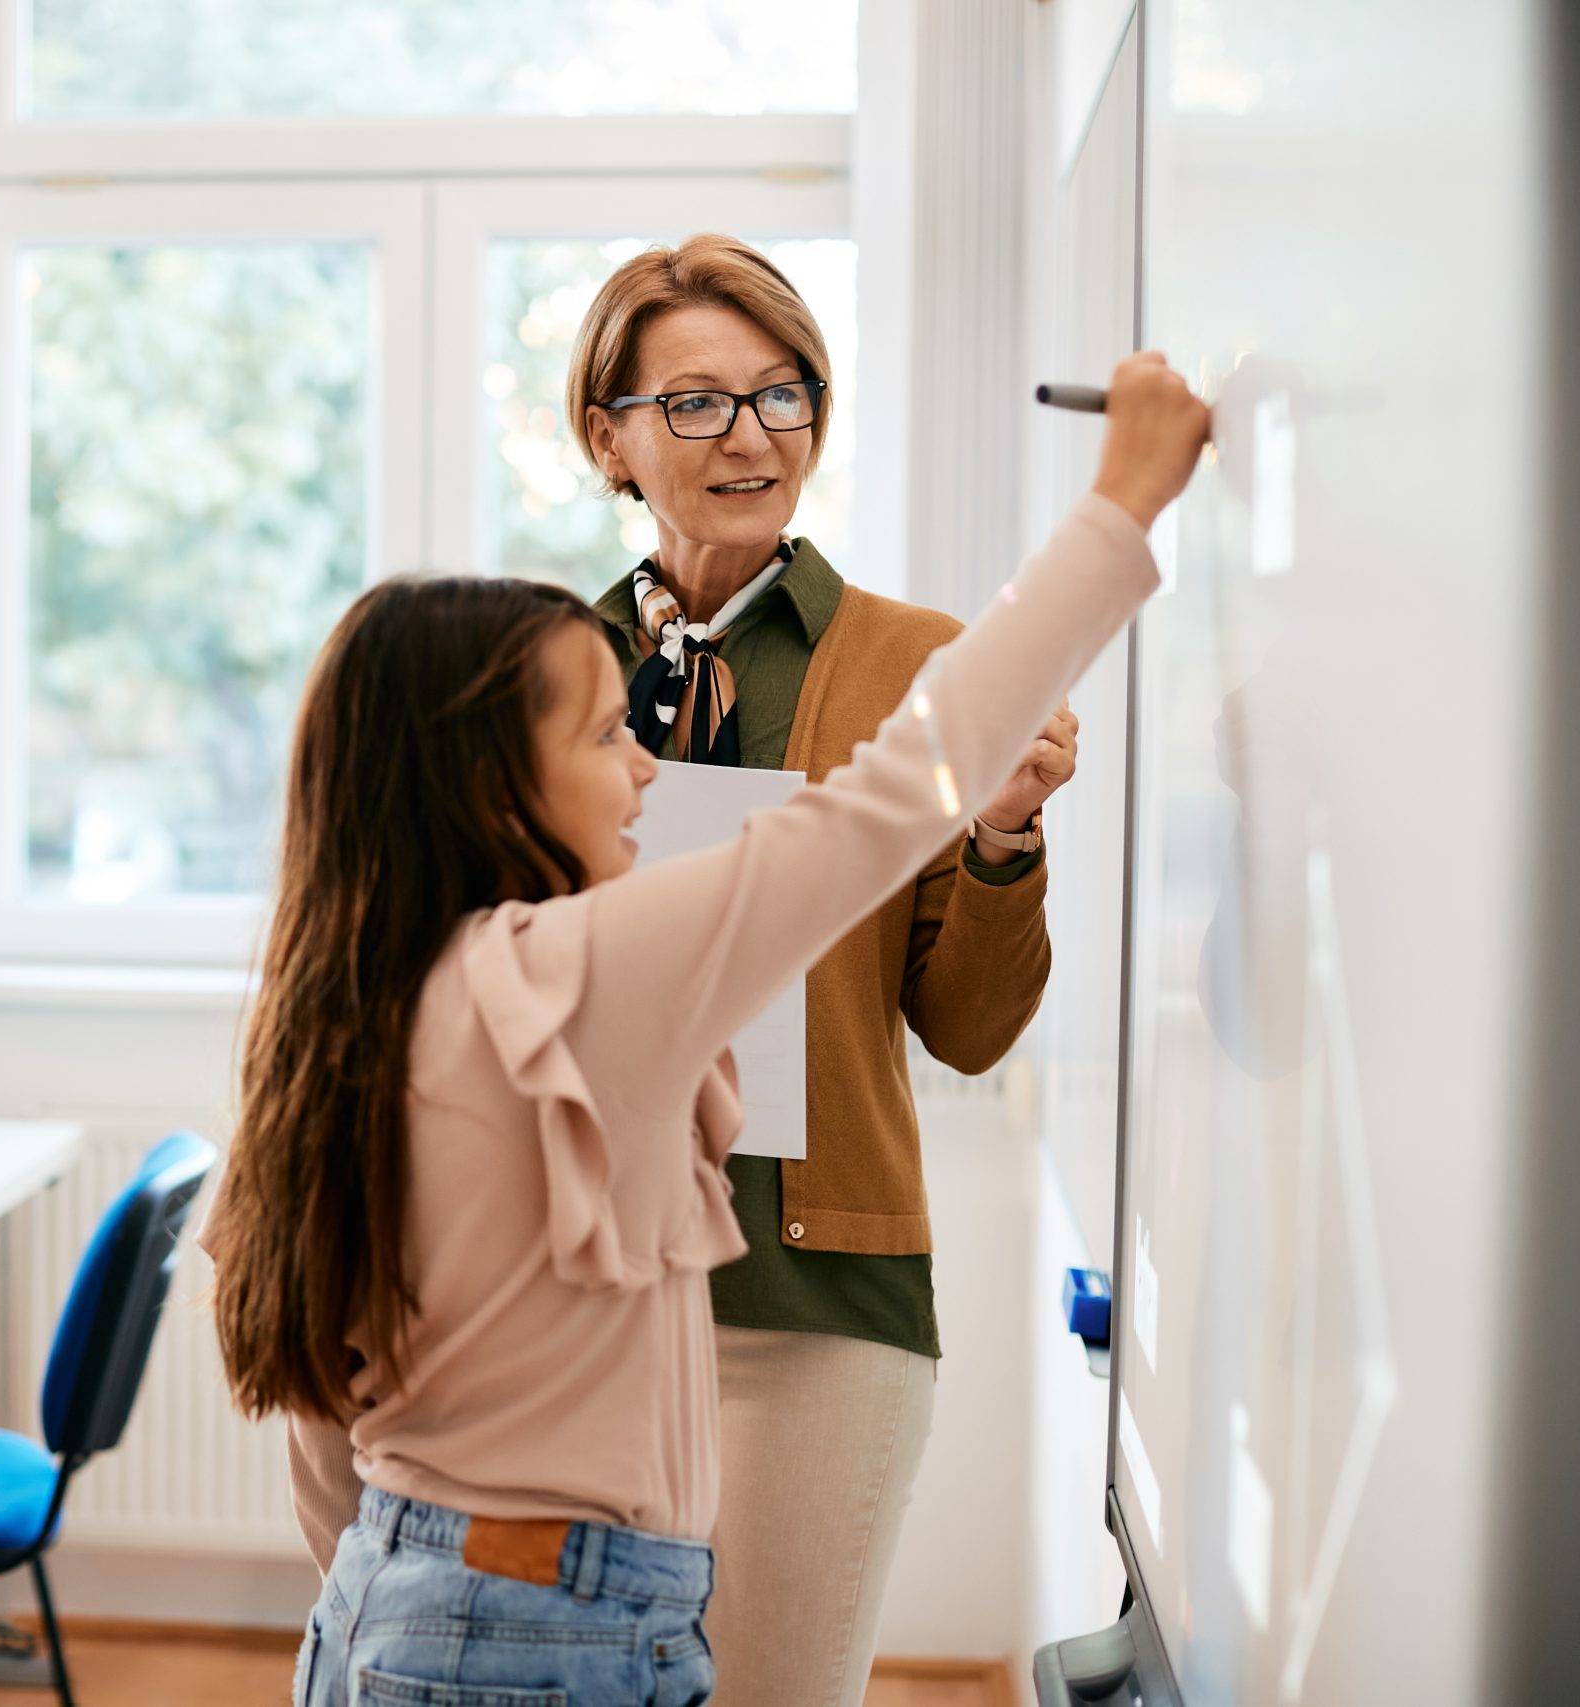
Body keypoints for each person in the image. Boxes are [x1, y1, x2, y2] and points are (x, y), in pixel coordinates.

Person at [202, 354, 1207, 1705]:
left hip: (401, 1602)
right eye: (611, 737)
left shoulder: (351, 1000)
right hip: (539, 1635)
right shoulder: (575, 972)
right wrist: (1128, 497)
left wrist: (423, 1622)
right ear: (489, 780)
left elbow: (330, 1455)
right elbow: (898, 794)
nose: (645, 772)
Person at [568, 234, 1078, 1704]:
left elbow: (971, 1031)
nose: (751, 437)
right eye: (697, 403)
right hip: (579, 1288)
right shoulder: (545, 671)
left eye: (784, 395)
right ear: (610, 436)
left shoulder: (932, 668)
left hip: (818, 1297)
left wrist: (1003, 834)